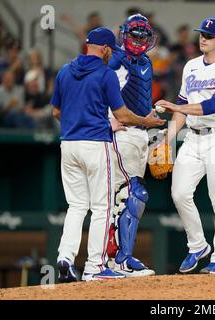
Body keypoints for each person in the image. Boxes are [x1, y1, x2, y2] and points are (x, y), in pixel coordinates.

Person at [51, 27, 164, 282]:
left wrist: (76, 121)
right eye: (110, 49)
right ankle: (95, 267)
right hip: (95, 143)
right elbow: (122, 116)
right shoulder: (105, 74)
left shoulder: (65, 70)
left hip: (68, 144)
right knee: (102, 207)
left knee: (76, 206)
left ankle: (65, 258)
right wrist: (147, 123)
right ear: (104, 49)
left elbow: (56, 111)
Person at [155, 17, 215, 274]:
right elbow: (182, 108)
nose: (203, 38)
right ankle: (197, 246)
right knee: (179, 193)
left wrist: (177, 107)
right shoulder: (191, 66)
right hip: (192, 137)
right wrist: (166, 138)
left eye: (209, 35)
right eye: (202, 34)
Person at [105, 14, 157, 277]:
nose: (138, 40)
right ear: (124, 34)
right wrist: (107, 120)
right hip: (123, 132)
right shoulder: (117, 58)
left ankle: (114, 259)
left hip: (141, 133)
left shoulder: (146, 61)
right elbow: (100, 87)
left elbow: (139, 97)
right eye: (134, 35)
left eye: (142, 36)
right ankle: (119, 258)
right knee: (130, 194)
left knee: (129, 196)